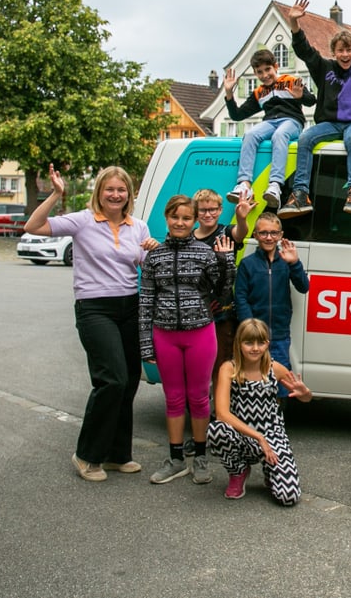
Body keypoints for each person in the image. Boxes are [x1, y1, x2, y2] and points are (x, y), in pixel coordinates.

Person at [24, 164, 155, 482]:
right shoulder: (82, 221)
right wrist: (56, 193)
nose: (115, 194)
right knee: (111, 379)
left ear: (129, 195)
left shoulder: (138, 227)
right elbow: (33, 226)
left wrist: (154, 251)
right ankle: (87, 455)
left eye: (121, 189)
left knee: (129, 382)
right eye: (109, 189)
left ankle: (117, 455)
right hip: (94, 308)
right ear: (99, 192)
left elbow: (149, 267)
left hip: (130, 306)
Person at [140, 195, 236, 485]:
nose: (180, 223)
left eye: (186, 218)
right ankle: (176, 458)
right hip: (165, 335)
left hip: (200, 334)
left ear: (194, 221)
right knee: (173, 398)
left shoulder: (205, 253)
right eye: (174, 217)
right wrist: (145, 343)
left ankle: (202, 457)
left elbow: (222, 293)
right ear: (166, 219)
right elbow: (145, 302)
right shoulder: (154, 256)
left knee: (198, 398)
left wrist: (225, 262)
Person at [279, 0, 351, 218]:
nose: (345, 55)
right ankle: (300, 194)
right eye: (340, 51)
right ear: (333, 52)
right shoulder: (324, 67)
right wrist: (294, 23)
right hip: (331, 123)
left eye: (349, 50)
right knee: (306, 138)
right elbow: (305, 51)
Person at [207, 318, 312, 504]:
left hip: (272, 436)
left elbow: (303, 397)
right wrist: (258, 437)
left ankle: (271, 474)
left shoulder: (275, 368)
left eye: (260, 343)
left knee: (289, 497)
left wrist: (305, 393)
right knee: (217, 430)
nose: (255, 348)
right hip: (242, 435)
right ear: (239, 344)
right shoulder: (228, 369)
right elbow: (222, 413)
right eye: (249, 342)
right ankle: (238, 471)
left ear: (267, 344)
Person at [223, 49, 317, 208]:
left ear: (276, 66)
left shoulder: (291, 80)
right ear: (255, 73)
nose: (265, 75)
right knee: (250, 134)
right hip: (270, 122)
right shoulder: (259, 92)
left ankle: (275, 185)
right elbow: (237, 115)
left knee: (279, 135)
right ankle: (244, 184)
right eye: (259, 72)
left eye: (268, 69)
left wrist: (300, 96)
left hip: (291, 121)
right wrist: (228, 93)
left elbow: (311, 101)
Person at [234, 212, 309, 401]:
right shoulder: (247, 264)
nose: (269, 237)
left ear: (281, 235)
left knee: (282, 380)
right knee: (252, 379)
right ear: (256, 235)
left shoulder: (286, 262)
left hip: (279, 334)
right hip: (253, 336)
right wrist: (250, 327)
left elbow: (303, 287)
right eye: (264, 233)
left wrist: (295, 263)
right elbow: (241, 297)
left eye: (274, 233)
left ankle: (277, 420)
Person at [192, 188, 253, 400]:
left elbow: (241, 233)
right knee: (198, 365)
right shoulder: (188, 238)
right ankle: (199, 407)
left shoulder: (225, 233)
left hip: (222, 313)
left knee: (221, 363)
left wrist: (242, 218)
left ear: (220, 210)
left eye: (213, 210)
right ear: (196, 212)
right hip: (194, 313)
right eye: (203, 210)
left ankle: (219, 412)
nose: (208, 214)